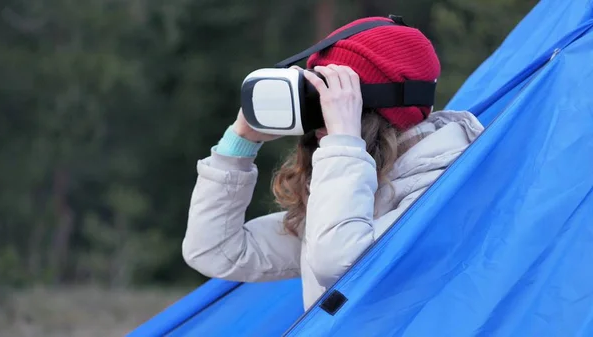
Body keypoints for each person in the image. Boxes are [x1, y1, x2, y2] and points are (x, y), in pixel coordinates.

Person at [182, 16, 484, 311]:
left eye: (335, 99)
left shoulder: (445, 183)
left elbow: (339, 264)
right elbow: (215, 251)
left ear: (372, 109)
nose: (320, 118)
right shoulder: (354, 181)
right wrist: (240, 142)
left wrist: (343, 142)